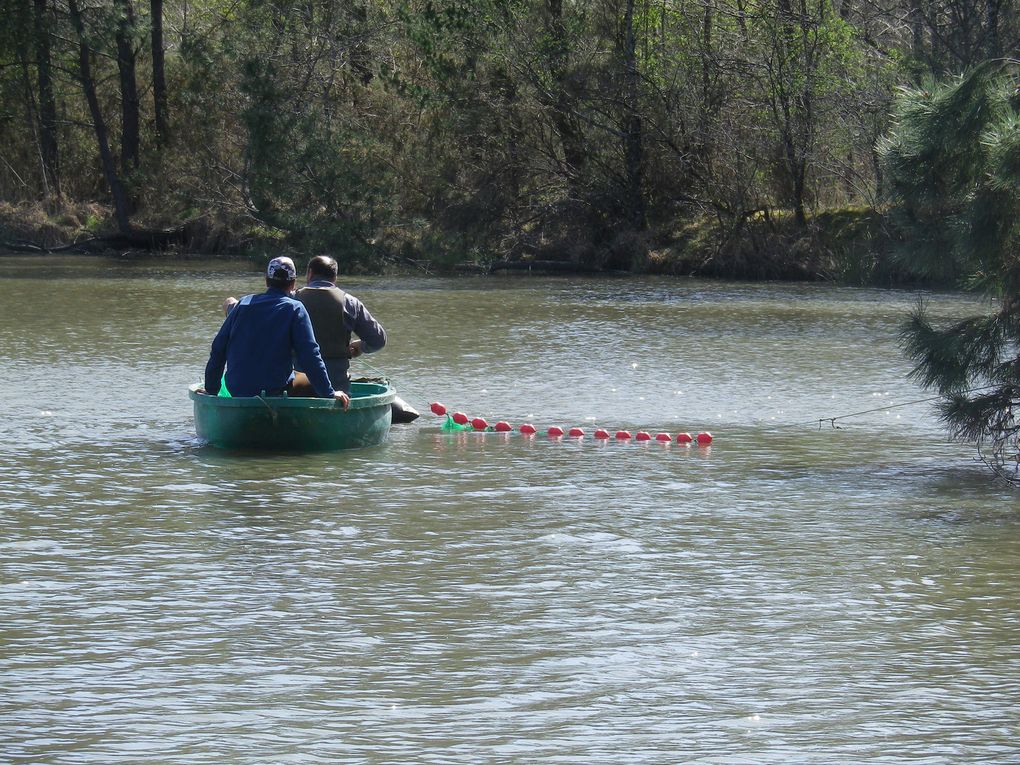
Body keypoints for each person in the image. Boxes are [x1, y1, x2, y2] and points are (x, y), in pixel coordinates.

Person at [202, 256, 350, 408]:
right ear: (293, 283)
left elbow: (218, 349)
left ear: (266, 281)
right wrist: (329, 392)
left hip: (237, 389)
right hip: (275, 390)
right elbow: (310, 356)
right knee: (310, 381)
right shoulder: (295, 308)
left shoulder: (243, 303)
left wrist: (211, 390)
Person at [293, 255, 387, 393]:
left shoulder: (292, 300)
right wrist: (360, 347)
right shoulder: (349, 302)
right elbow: (378, 340)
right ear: (335, 277)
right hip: (337, 389)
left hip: (296, 387)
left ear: (310, 273)